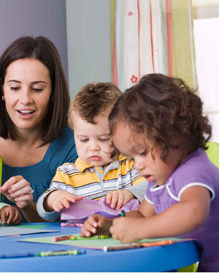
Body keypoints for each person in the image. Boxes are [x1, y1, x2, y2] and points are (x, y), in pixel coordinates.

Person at [80, 74, 219, 272]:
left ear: (175, 133)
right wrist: (110, 225)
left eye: (143, 152)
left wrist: (138, 229)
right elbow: (141, 215)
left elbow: (193, 212)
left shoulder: (194, 169)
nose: (138, 165)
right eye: (131, 158)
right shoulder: (159, 179)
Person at [0, 36, 78, 222]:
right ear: (2, 90)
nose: (25, 99)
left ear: (54, 92)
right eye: (15, 87)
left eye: (37, 89)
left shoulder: (74, 145)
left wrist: (27, 206)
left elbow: (68, 229)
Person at [37, 82, 147, 221]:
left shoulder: (129, 164)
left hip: (121, 235)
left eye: (103, 139)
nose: (93, 147)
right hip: (80, 238)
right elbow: (42, 210)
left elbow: (151, 189)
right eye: (84, 139)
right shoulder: (67, 174)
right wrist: (53, 199)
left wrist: (130, 193)